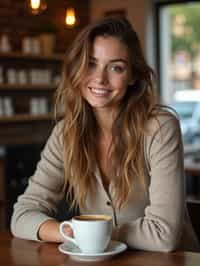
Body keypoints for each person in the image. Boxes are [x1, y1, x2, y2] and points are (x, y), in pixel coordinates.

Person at [11, 16, 199, 252]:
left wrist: (91, 233)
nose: (100, 78)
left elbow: (164, 235)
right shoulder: (65, 134)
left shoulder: (160, 128)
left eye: (116, 67)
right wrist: (65, 232)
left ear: (133, 75)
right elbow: (21, 215)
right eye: (91, 63)